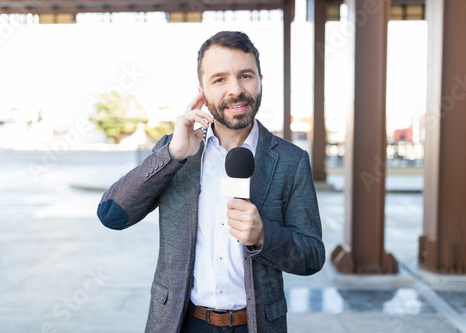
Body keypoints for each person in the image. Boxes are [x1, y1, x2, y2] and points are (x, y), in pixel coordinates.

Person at [97, 31, 325, 333]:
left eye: (246, 75)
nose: (236, 90)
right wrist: (172, 155)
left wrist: (263, 235)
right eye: (219, 79)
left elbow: (312, 257)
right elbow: (111, 215)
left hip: (255, 325)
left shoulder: (290, 160)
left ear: (259, 80)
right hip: (182, 322)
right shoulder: (176, 150)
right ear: (202, 91)